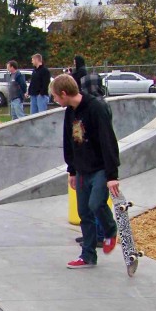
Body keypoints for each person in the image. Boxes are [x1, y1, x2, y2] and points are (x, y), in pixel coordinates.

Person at [51, 74, 119, 269]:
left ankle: (110, 230)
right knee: (84, 213)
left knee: (96, 204)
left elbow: (108, 141)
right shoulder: (69, 112)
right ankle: (88, 255)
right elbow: (69, 141)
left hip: (100, 168)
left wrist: (112, 175)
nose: (55, 100)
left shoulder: (96, 108)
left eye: (56, 96)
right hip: (81, 170)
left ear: (64, 94)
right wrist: (71, 170)